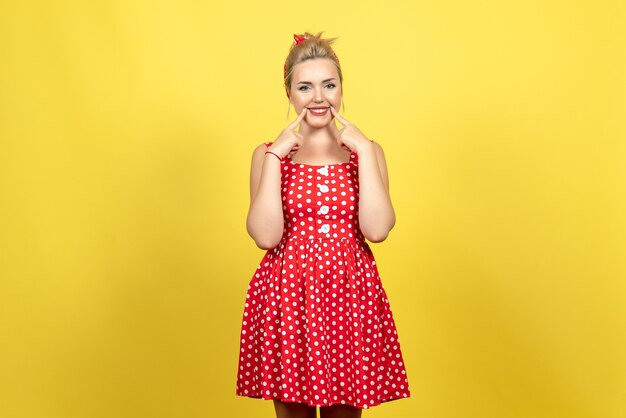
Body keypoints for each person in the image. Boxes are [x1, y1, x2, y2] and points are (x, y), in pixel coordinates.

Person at [235, 31, 411, 418]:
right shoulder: (268, 153)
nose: (318, 97)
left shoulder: (367, 150)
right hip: (289, 296)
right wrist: (275, 159)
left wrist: (363, 151)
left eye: (328, 85)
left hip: (350, 296)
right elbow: (265, 236)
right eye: (305, 87)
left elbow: (377, 230)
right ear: (289, 94)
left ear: (341, 89)